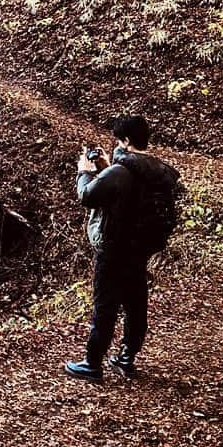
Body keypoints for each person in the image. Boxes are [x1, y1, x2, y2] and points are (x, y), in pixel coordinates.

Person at [65, 115, 182, 383]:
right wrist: (107, 167)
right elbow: (130, 192)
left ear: (126, 141)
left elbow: (88, 196)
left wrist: (84, 171)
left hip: (115, 247)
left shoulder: (120, 172)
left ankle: (92, 363)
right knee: (136, 303)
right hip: (141, 248)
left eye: (119, 139)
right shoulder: (158, 170)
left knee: (105, 305)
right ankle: (127, 358)